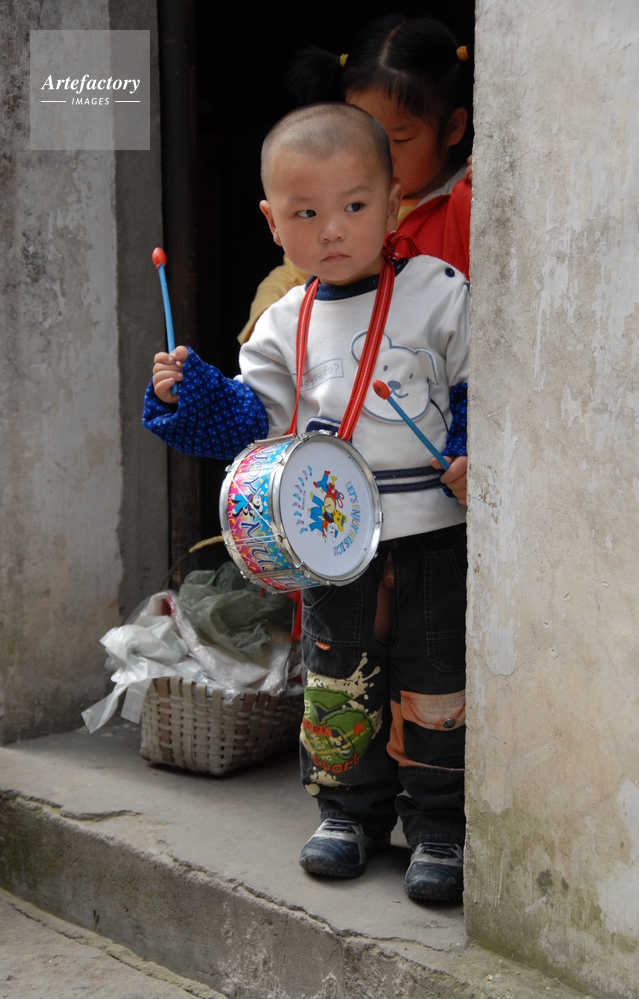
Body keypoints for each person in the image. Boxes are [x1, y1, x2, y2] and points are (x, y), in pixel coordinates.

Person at [144, 103, 469, 903]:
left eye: (354, 205)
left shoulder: (440, 293)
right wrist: (188, 393)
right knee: (334, 673)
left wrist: (474, 448)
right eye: (305, 214)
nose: (332, 230)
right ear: (271, 223)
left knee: (435, 676)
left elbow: (481, 381)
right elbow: (249, 422)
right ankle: (347, 812)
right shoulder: (283, 321)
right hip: (328, 539)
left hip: (432, 530)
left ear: (393, 203)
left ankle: (439, 824)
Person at [237, 13, 473, 346]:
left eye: (401, 139)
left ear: (453, 128)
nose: (379, 155)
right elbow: (292, 274)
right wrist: (268, 328)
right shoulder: (334, 199)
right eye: (361, 139)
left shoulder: (465, 200)